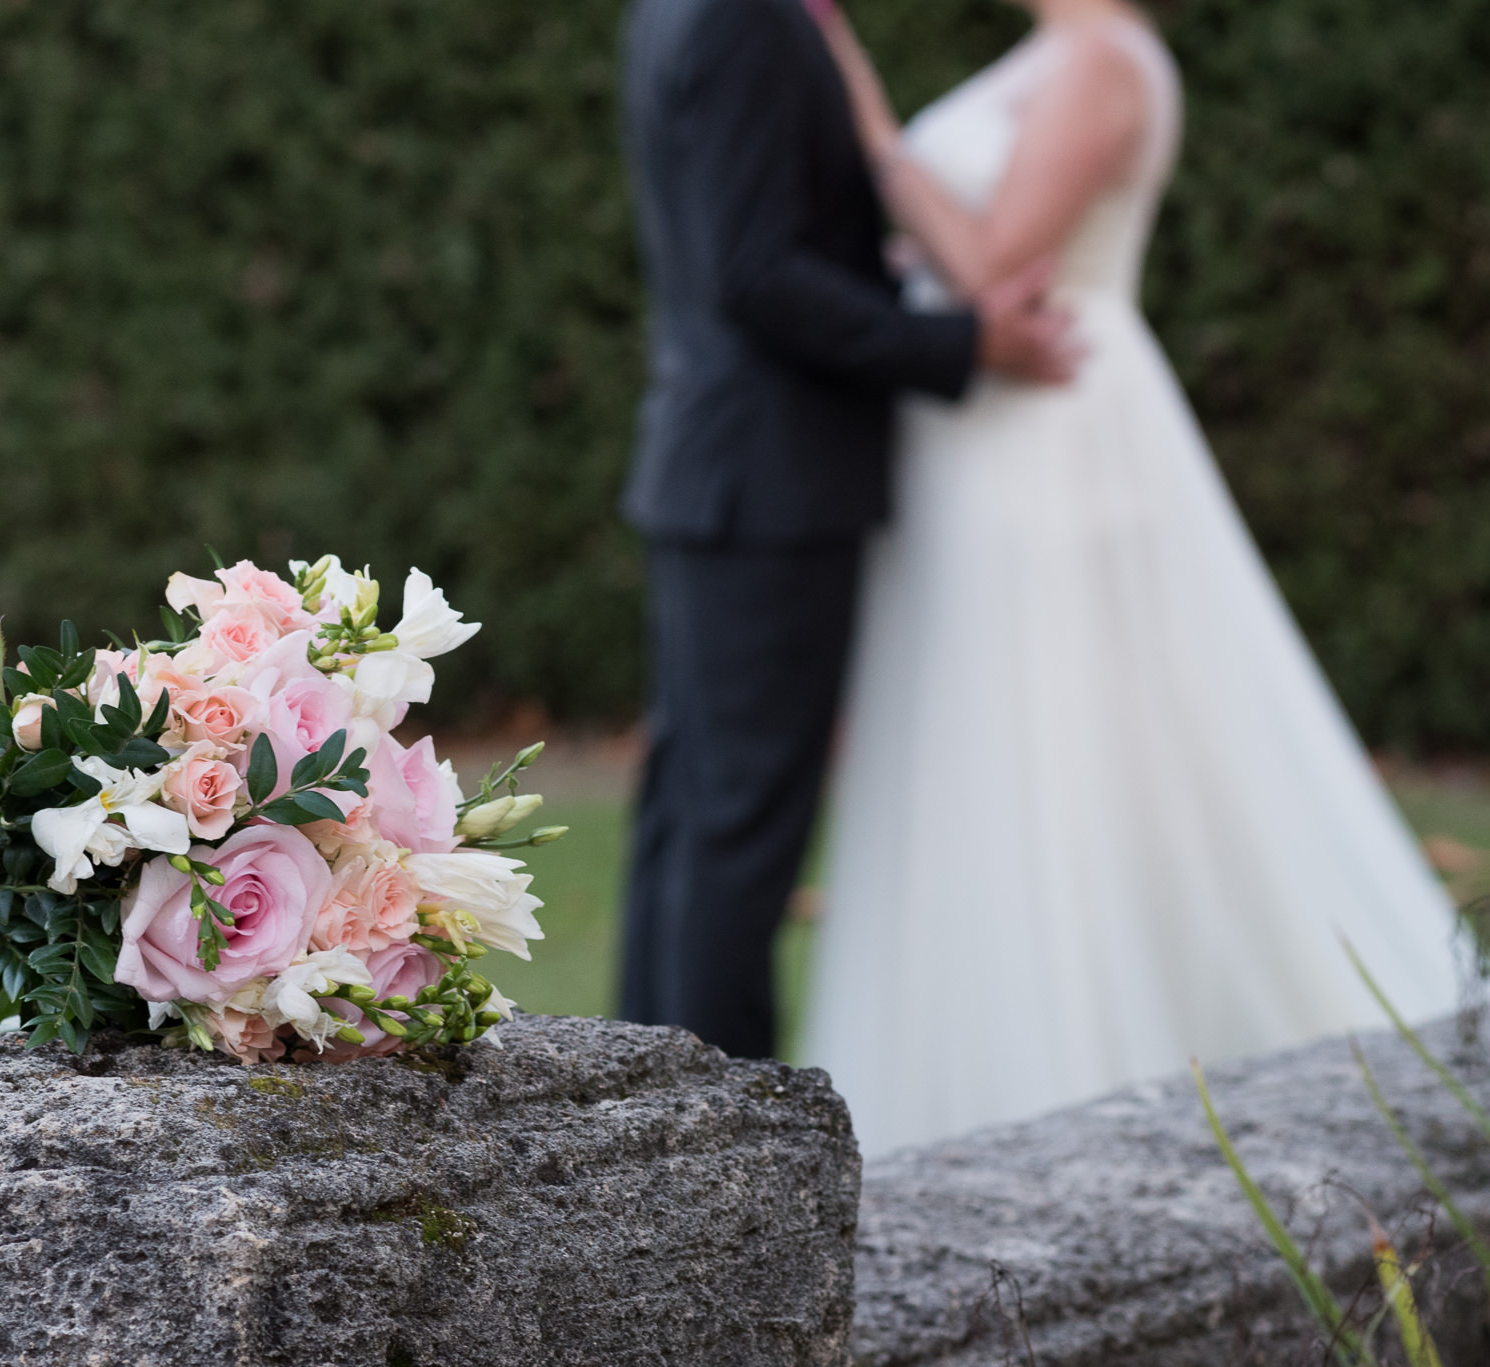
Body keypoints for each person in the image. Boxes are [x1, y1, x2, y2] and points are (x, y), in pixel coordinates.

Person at [798, 0, 1461, 1152]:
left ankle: (1074, 1082)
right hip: (976, 451)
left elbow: (996, 266)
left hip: (1047, 452)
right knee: (979, 748)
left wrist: (864, 117)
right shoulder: (1051, 52)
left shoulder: (1105, 61)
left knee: (1062, 757)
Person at [616, 0, 1079, 1060]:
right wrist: (957, 341)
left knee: (691, 815)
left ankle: (635, 1096)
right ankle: (706, 1124)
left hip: (717, 468)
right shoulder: (748, 21)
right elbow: (757, 274)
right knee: (737, 833)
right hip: (771, 480)